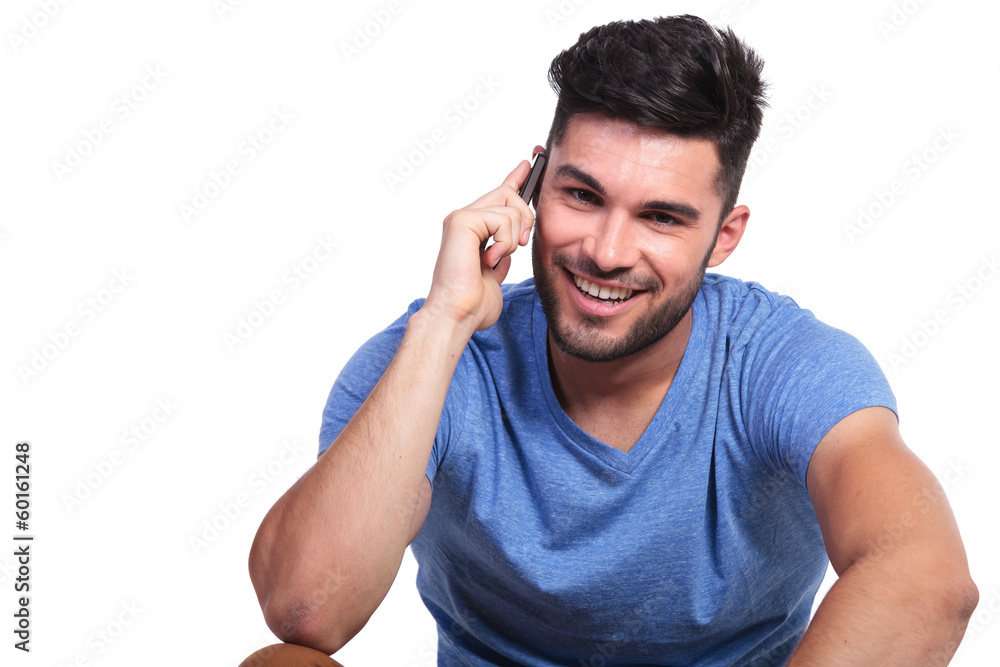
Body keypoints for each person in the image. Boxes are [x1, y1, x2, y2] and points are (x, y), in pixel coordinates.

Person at [242, 15, 978, 666]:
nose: (606, 251)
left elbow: (928, 578)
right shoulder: (431, 358)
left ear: (724, 236)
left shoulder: (782, 363)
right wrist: (442, 323)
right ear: (532, 187)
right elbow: (308, 611)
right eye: (583, 195)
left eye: (661, 217)